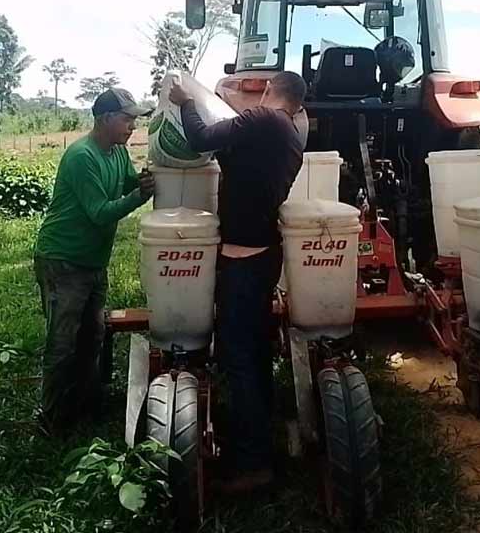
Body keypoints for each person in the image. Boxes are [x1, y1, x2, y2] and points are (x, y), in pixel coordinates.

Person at [168, 71, 307, 492]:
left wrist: (184, 101)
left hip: (243, 261)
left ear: (267, 92)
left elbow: (199, 139)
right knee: (256, 352)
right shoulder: (290, 135)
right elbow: (237, 162)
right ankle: (262, 439)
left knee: (238, 358)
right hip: (263, 254)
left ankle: (252, 462)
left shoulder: (263, 120)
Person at [33, 88, 155, 438]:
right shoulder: (81, 157)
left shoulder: (116, 152)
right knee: (62, 341)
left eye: (134, 120)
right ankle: (52, 418)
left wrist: (142, 180)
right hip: (64, 260)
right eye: (126, 119)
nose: (132, 126)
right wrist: (138, 196)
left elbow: (126, 180)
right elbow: (100, 213)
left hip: (92, 262)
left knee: (92, 336)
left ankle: (86, 406)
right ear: (104, 119)